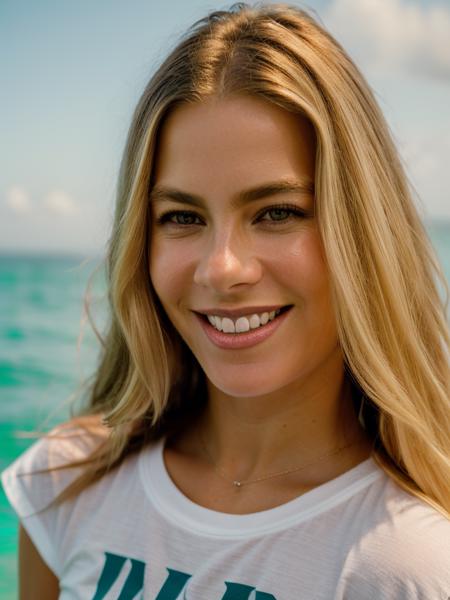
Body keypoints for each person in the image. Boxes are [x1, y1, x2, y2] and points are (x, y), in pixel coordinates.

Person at [2, 3, 450, 598]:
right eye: (182, 216)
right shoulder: (67, 483)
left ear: (364, 232)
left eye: (277, 212)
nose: (222, 269)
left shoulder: (412, 563)